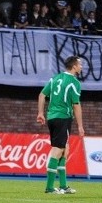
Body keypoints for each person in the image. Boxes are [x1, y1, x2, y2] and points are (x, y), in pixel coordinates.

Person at [36, 55, 85, 194]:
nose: (81, 67)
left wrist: (40, 113)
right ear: (74, 66)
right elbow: (76, 105)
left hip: (52, 117)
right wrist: (80, 126)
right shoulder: (74, 82)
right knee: (57, 150)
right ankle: (50, 188)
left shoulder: (55, 78)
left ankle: (63, 186)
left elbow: (41, 95)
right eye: (80, 64)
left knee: (65, 149)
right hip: (63, 117)